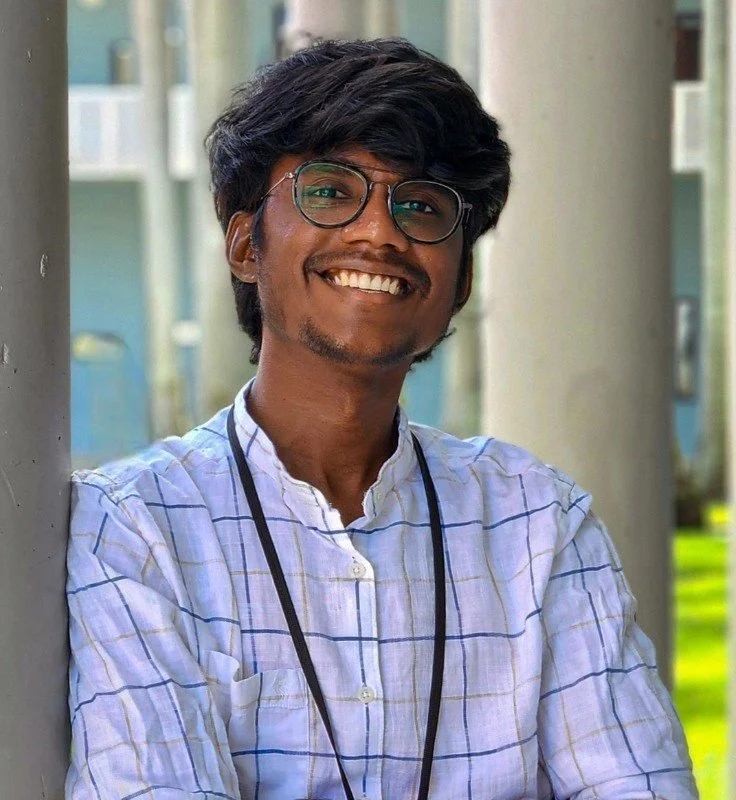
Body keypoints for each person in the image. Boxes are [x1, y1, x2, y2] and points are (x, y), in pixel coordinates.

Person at [65, 38, 697, 800]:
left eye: (422, 206)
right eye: (330, 191)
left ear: (458, 283)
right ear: (244, 245)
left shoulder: (539, 523)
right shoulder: (137, 529)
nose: (381, 233)